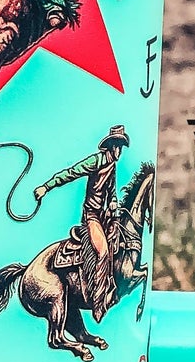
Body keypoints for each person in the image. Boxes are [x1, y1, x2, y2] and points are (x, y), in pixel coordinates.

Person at [33, 125, 130, 319]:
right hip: (92, 217)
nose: (120, 151)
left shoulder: (113, 166)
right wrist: (46, 187)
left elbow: (110, 192)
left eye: (121, 147)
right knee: (102, 250)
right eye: (117, 146)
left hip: (106, 216)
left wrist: (113, 204)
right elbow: (71, 173)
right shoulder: (95, 161)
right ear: (110, 147)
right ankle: (98, 299)